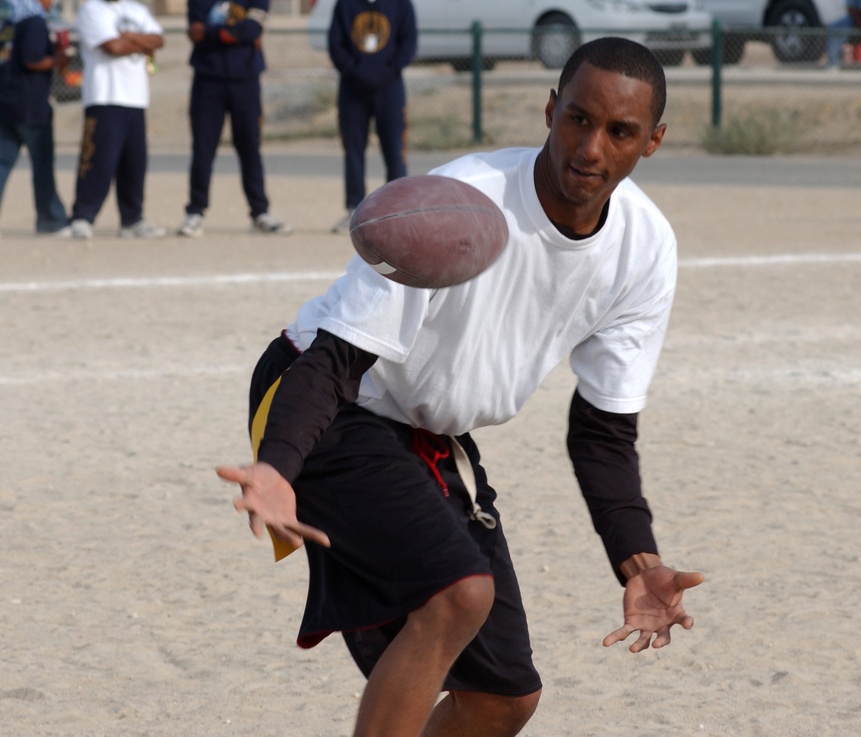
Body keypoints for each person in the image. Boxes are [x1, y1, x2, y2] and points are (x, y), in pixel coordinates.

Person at [217, 37, 704, 737]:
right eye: (577, 118)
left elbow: (602, 429)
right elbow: (336, 359)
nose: (591, 147)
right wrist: (277, 467)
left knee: (505, 697)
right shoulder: (460, 203)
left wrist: (639, 558)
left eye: (620, 131)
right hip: (323, 396)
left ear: (652, 141)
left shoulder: (645, 247)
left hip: (425, 431)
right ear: (549, 110)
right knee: (457, 593)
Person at [176, 0, 291, 238]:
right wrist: (233, 33)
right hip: (207, 80)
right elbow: (194, 33)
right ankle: (195, 212)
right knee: (203, 149)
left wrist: (213, 32)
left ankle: (260, 212)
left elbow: (252, 29)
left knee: (250, 147)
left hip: (245, 80)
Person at [65, 0, 165, 240]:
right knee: (98, 160)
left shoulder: (136, 10)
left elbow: (159, 40)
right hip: (104, 96)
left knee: (135, 162)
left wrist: (129, 36)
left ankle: (132, 219)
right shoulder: (92, 9)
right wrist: (142, 42)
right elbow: (113, 47)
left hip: (135, 98)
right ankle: (83, 217)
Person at [327, 0, 416, 232]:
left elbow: (408, 43)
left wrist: (386, 71)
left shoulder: (400, 4)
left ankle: (399, 210)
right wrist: (356, 71)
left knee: (395, 150)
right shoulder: (345, 5)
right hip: (352, 90)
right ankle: (354, 209)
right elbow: (335, 45)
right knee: (353, 150)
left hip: (390, 89)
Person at [0, 0, 70, 235]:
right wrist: (59, 60)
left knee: (2, 164)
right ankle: (51, 218)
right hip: (30, 107)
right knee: (42, 165)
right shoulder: (34, 22)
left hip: (7, 103)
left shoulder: (10, 23)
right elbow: (33, 59)